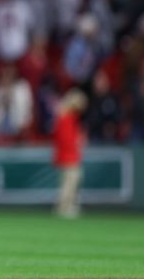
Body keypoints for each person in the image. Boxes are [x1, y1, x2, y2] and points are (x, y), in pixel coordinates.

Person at [52, 89, 87, 218]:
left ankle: (66, 205)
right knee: (70, 182)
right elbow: (66, 139)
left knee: (68, 182)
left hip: (67, 154)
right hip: (69, 155)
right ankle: (64, 207)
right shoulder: (66, 117)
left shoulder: (66, 116)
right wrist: (77, 143)